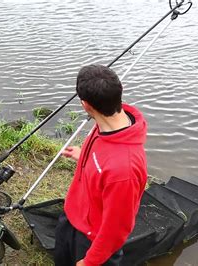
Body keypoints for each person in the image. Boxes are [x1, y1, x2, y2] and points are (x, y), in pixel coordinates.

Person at [55, 64, 148, 266]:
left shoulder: (125, 171)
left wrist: (90, 262)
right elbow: (103, 159)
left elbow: (116, 230)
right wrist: (84, 157)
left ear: (85, 105)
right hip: (72, 217)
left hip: (92, 241)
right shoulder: (106, 122)